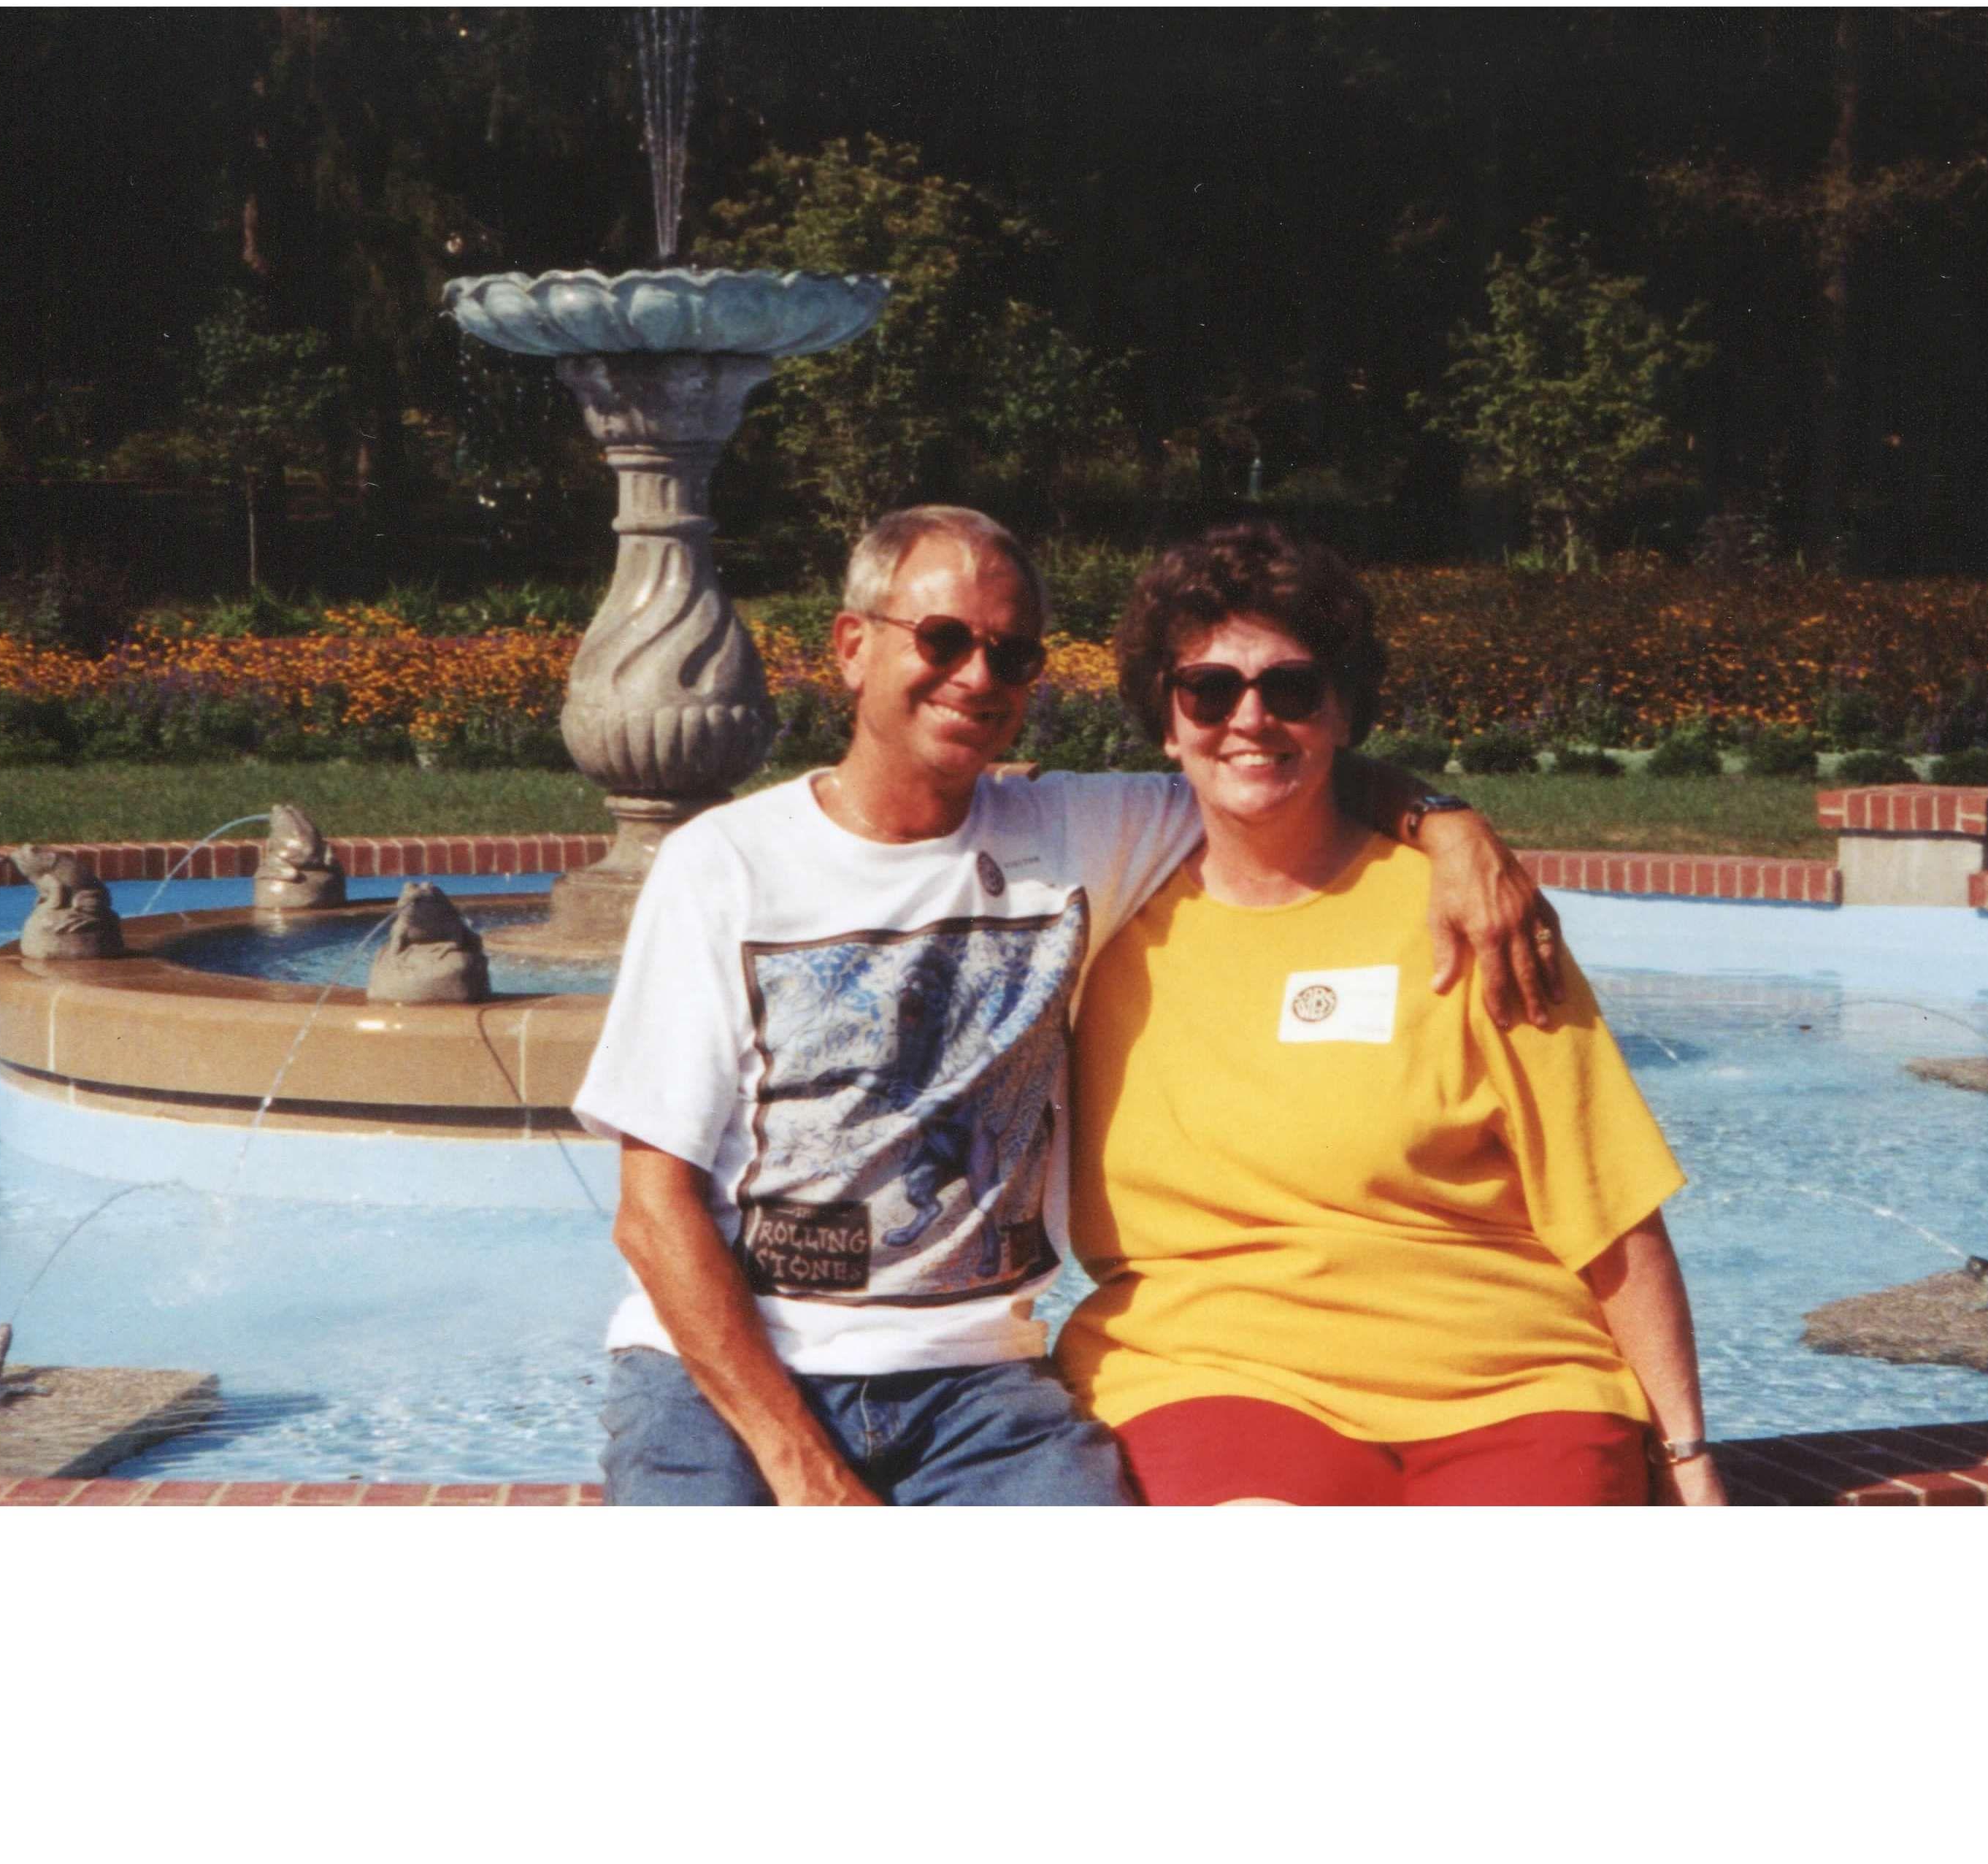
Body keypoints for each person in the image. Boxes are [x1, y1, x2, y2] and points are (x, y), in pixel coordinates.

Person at [573, 505, 1562, 1506]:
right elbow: (652, 1215)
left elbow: (1270, 759)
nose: (978, 678)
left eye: (1012, 656)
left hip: (972, 1387)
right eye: (944, 640)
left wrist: (1451, 826)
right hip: (725, 1377)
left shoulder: (1078, 832)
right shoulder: (726, 865)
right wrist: (802, 1467)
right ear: (853, 646)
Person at [1057, 522, 1725, 1506]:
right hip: (1213, 1367)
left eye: (1292, 688)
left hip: (1514, 1378)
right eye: (1209, 690)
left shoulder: (1475, 915)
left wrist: (1691, 1457)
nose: (1251, 718)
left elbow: (1610, 1210)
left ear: (1341, 711)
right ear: (1166, 720)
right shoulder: (1101, 915)